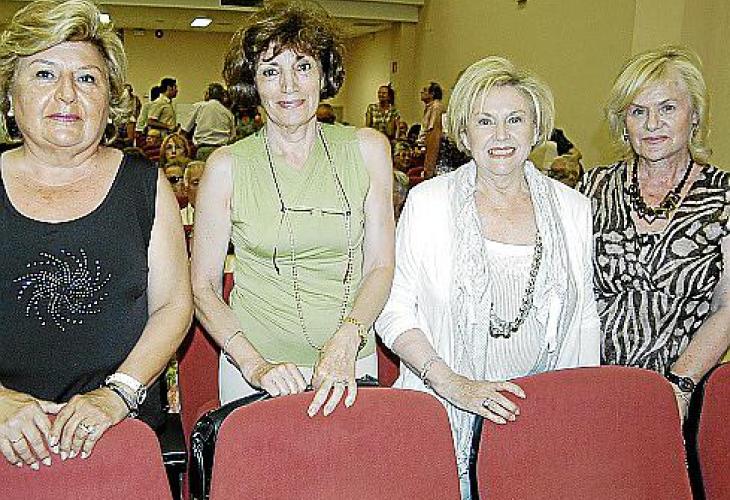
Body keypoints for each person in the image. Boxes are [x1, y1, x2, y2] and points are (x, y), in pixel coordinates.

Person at [375, 56, 600, 497]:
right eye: (485, 121)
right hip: (441, 410)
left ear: (536, 128)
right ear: (464, 133)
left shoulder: (573, 209)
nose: (501, 135)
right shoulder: (428, 203)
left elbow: (584, 319)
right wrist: (452, 384)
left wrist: (576, 413)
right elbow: (394, 309)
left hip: (535, 420)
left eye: (515, 119)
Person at [0, 0, 191, 470]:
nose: (67, 94)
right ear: (9, 96)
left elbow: (173, 305)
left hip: (119, 433)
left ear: (109, 103)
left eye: (87, 78)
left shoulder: (145, 185)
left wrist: (117, 394)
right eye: (44, 74)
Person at [191, 0, 394, 417]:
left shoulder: (368, 149)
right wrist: (254, 365)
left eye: (303, 66)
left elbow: (380, 266)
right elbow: (203, 287)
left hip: (349, 359)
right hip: (256, 368)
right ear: (253, 83)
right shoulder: (226, 167)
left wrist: (348, 340)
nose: (289, 85)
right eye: (271, 71)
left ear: (323, 74)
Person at [577, 46, 730, 419]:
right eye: (638, 111)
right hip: (590, 389)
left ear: (695, 115)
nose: (652, 124)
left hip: (682, 395)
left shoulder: (724, 197)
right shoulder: (591, 189)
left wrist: (678, 387)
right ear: (623, 122)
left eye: (668, 108)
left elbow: (728, 309)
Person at [181, 82, 236, 162]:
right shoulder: (228, 113)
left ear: (208, 94)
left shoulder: (199, 106)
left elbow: (185, 129)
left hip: (203, 149)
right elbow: (233, 136)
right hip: (221, 151)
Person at [418, 81, 446, 178]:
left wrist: (429, 164)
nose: (421, 92)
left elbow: (432, 132)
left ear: (432, 94)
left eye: (425, 90)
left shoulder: (436, 107)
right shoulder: (429, 107)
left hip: (433, 150)